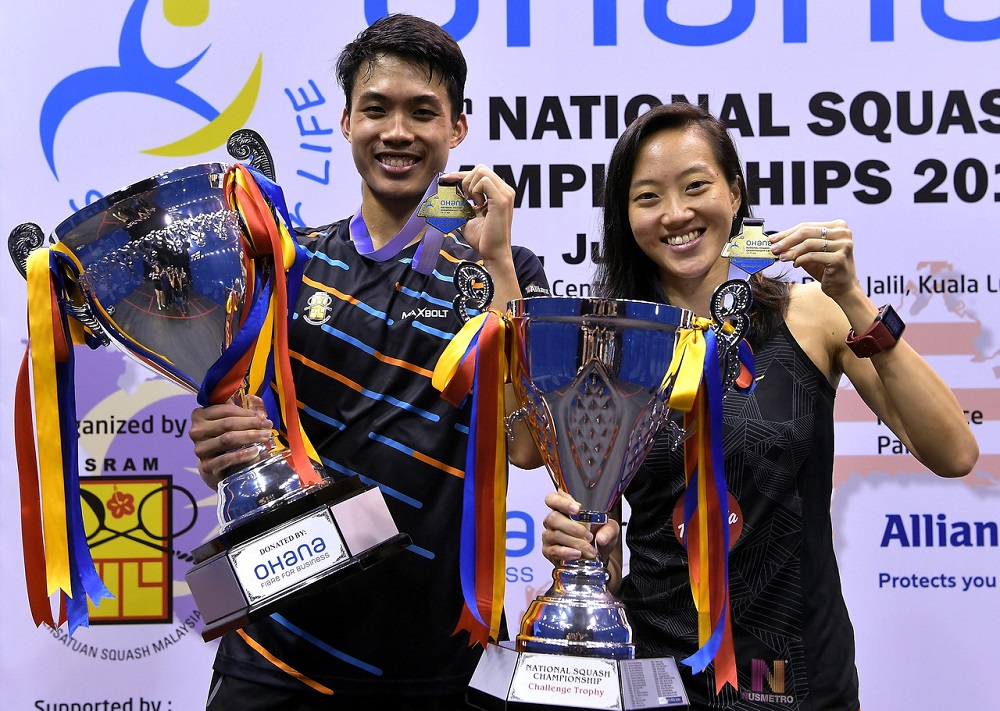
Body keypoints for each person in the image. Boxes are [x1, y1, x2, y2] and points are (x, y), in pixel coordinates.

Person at [539, 102, 978, 711]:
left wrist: (850, 294)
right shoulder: (611, 342)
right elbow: (608, 542)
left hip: (798, 676)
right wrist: (591, 553)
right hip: (655, 679)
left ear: (736, 192)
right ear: (624, 216)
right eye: (647, 197)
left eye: (696, 186)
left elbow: (954, 451)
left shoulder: (811, 314)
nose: (676, 215)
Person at [188, 14, 548, 710]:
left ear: (458, 130)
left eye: (424, 112)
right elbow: (244, 438)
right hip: (276, 649)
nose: (398, 132)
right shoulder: (285, 264)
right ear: (347, 120)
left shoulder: (505, 271)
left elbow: (528, 444)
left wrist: (497, 260)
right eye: (377, 109)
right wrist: (220, 447)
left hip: (442, 656)